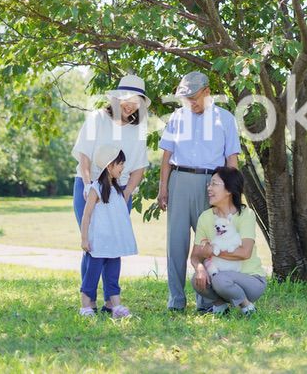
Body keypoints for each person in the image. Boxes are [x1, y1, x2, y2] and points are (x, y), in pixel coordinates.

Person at [157, 71, 242, 311]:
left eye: (194, 97)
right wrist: (163, 188)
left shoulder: (225, 119)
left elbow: (231, 160)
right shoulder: (176, 117)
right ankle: (176, 301)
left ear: (207, 91)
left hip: (212, 185)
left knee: (208, 244)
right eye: (186, 99)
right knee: (176, 244)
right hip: (179, 180)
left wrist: (230, 195)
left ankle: (206, 301)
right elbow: (166, 157)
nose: (191, 103)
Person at [71, 74, 150, 312]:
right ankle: (88, 300)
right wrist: (88, 185)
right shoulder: (97, 119)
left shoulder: (139, 129)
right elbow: (84, 156)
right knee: (94, 244)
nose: (129, 104)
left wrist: (126, 195)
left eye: (135, 101)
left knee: (113, 245)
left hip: (119, 191)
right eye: (125, 99)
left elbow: (139, 168)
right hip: (91, 186)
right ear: (116, 98)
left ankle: (110, 301)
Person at [190, 167, 266, 316]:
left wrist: (212, 251)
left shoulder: (245, 214)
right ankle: (221, 306)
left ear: (229, 189)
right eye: (209, 184)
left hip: (251, 280)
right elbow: (195, 256)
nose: (209, 188)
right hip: (222, 278)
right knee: (196, 280)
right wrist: (199, 269)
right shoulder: (205, 217)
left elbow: (245, 252)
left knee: (219, 279)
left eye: (214, 184)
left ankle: (247, 307)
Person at [79, 145, 138, 318]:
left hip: (113, 245)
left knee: (113, 276)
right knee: (92, 275)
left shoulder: (117, 190)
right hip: (98, 244)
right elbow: (86, 216)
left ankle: (116, 306)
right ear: (109, 165)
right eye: (120, 163)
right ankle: (85, 306)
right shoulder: (95, 189)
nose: (123, 167)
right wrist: (84, 239)